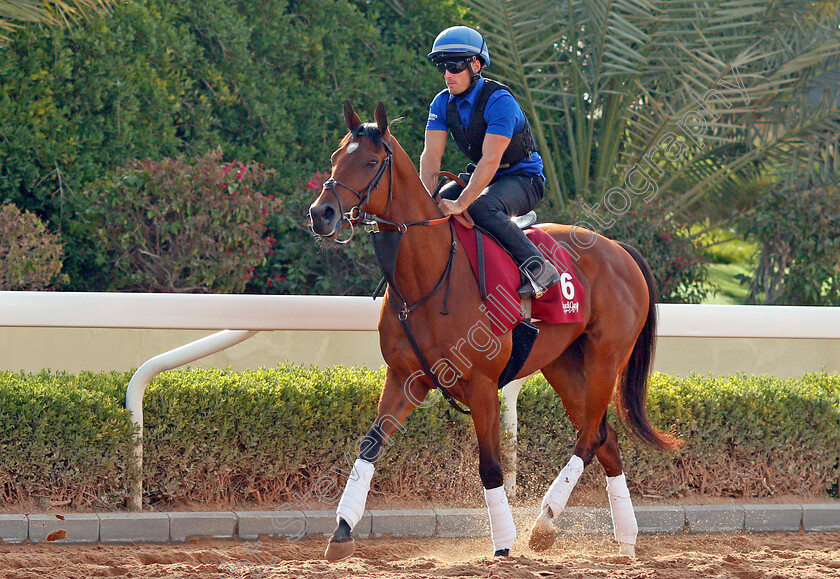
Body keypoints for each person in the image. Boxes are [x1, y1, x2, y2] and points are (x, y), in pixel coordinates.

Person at [419, 25, 561, 297]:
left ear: (475, 64)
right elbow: (431, 157)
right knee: (432, 209)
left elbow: (490, 160)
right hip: (485, 175)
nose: (448, 74)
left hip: (523, 179)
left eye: (454, 66)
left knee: (480, 208)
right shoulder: (440, 103)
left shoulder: (500, 101)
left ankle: (539, 267)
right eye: (442, 67)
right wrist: (427, 198)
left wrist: (461, 203)